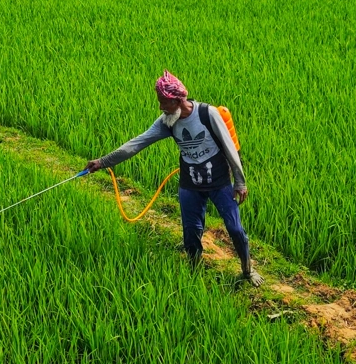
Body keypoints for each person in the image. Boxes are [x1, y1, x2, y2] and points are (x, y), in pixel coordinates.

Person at [86, 70, 264, 286]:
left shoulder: (209, 114)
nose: (161, 107)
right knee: (191, 231)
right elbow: (137, 143)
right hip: (190, 183)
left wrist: (240, 181)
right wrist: (103, 161)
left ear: (178, 100)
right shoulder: (167, 122)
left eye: (164, 102)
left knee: (235, 228)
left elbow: (230, 149)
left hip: (219, 181)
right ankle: (194, 266)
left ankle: (247, 270)